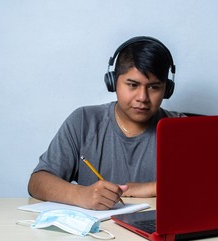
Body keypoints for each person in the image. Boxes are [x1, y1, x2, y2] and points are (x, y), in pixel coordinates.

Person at [28, 36, 185, 210]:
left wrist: (151, 187)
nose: (142, 98)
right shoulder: (83, 121)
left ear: (167, 89)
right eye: (132, 85)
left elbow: (210, 183)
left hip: (156, 229)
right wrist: (81, 194)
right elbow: (37, 182)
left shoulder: (181, 128)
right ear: (113, 82)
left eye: (154, 87)